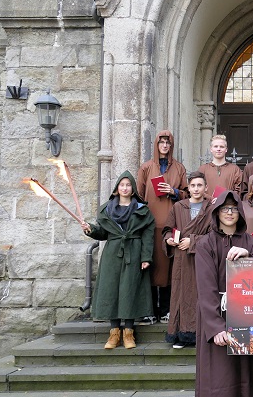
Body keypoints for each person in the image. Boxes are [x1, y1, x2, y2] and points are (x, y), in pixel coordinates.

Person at [192, 191, 253, 397]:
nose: (230, 212)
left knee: (245, 379)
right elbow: (206, 288)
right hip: (218, 319)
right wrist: (215, 327)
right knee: (215, 382)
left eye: (234, 208)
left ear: (240, 213)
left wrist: (248, 255)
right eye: (225, 208)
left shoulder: (251, 242)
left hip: (245, 319)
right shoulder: (207, 243)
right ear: (217, 212)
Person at [80, 171, 155, 349]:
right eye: (122, 185)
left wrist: (146, 257)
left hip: (134, 252)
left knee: (130, 289)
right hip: (113, 253)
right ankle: (114, 333)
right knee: (111, 289)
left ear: (133, 189)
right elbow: (103, 233)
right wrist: (90, 229)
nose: (125, 188)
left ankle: (129, 332)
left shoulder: (142, 209)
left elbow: (148, 235)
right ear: (116, 189)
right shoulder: (107, 209)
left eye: (128, 185)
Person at [137, 130, 188, 322]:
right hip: (150, 225)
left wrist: (173, 191)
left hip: (172, 224)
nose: (165, 146)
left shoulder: (179, 168)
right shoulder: (146, 168)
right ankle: (149, 309)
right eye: (161, 142)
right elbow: (139, 197)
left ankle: (167, 309)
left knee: (168, 265)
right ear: (156, 145)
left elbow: (187, 194)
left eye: (168, 142)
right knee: (151, 263)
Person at [162, 171, 212, 348]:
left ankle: (200, 335)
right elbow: (168, 229)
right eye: (193, 186)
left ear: (206, 187)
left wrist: (193, 241)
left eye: (200, 185)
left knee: (200, 295)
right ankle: (181, 334)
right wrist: (168, 238)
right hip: (181, 260)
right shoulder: (179, 206)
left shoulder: (211, 208)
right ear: (188, 188)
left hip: (202, 260)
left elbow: (214, 235)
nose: (196, 189)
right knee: (181, 295)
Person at [198, 134, 243, 198]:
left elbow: (239, 189)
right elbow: (198, 188)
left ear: (226, 149)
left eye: (221, 147)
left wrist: (224, 199)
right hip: (207, 206)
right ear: (211, 149)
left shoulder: (235, 169)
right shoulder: (203, 169)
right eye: (216, 146)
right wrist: (210, 199)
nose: (218, 149)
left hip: (227, 205)